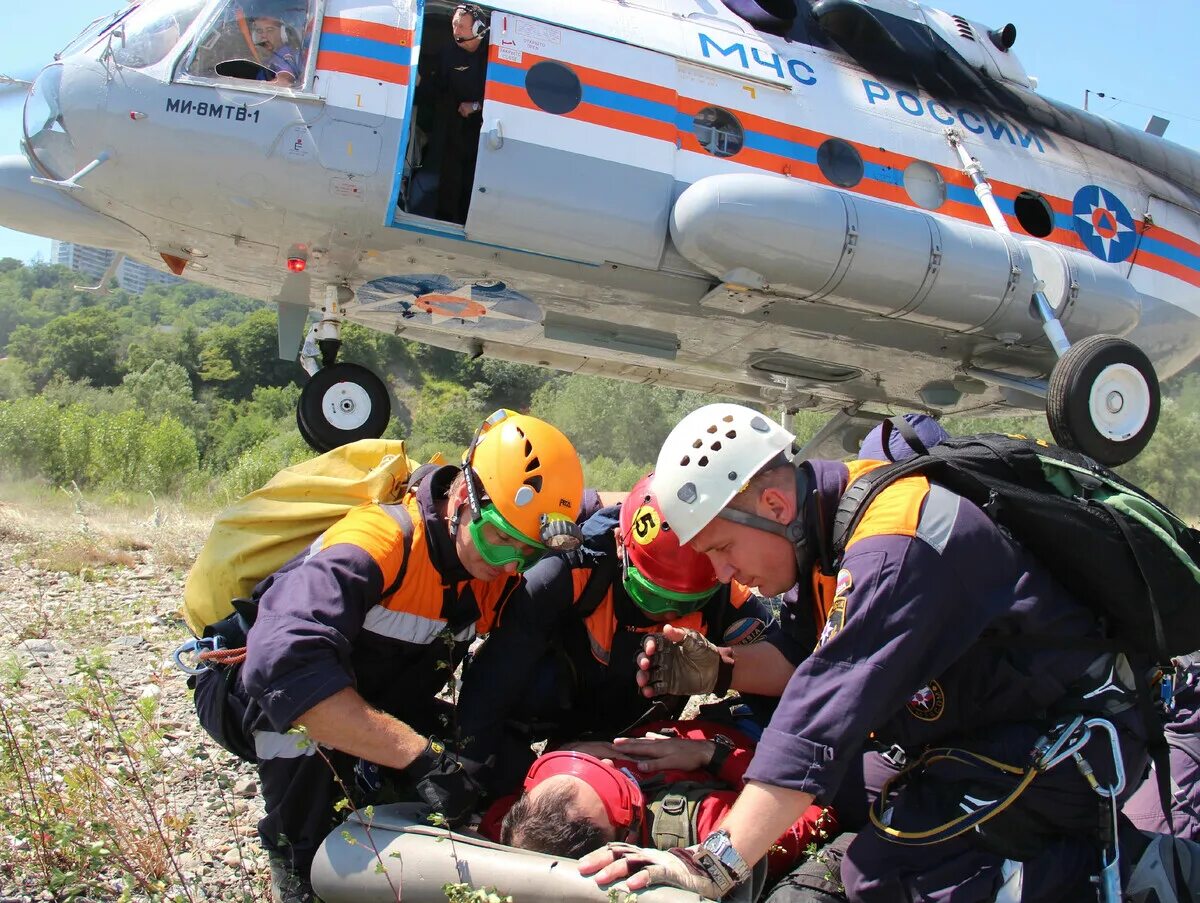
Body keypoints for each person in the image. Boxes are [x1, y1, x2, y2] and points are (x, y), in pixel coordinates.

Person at [580, 402, 1151, 902]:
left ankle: (1131, 875)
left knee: (890, 875)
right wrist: (720, 670)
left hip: (1067, 738)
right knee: (850, 808)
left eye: (724, 548)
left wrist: (710, 864)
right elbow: (802, 657)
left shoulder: (892, 546)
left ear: (775, 504)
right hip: (975, 731)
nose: (727, 574)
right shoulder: (832, 521)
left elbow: (818, 718)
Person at [191, 409, 585, 903]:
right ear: (462, 497)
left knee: (500, 763)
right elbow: (281, 667)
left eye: (527, 552)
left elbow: (592, 507)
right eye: (498, 538)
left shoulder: (493, 566)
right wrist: (418, 757)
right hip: (247, 690)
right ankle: (296, 862)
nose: (508, 563)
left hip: (375, 687)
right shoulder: (377, 543)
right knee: (298, 734)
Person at [455, 471, 781, 795]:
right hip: (552, 709)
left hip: (637, 732)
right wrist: (482, 773)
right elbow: (490, 685)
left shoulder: (724, 589)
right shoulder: (566, 573)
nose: (667, 614)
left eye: (686, 604)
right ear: (621, 550)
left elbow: (787, 682)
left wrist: (714, 723)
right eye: (651, 595)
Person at [487, 718, 835, 886]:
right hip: (766, 739)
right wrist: (713, 755)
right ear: (627, 841)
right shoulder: (703, 825)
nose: (609, 762)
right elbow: (816, 811)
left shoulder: (521, 827)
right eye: (616, 785)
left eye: (579, 766)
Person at [429, 4, 488, 223]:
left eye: (462, 26)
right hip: (457, 120)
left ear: (478, 29)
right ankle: (444, 218)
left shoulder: (494, 53)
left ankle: (466, 219)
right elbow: (439, 86)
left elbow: (506, 93)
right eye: (454, 24)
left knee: (474, 176)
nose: (456, 31)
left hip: (485, 123)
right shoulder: (448, 53)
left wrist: (476, 106)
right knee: (451, 172)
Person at [248, 6, 301, 87]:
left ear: (283, 34)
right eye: (259, 31)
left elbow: (284, 80)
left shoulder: (284, 54)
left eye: (270, 30)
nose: (263, 35)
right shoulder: (267, 56)